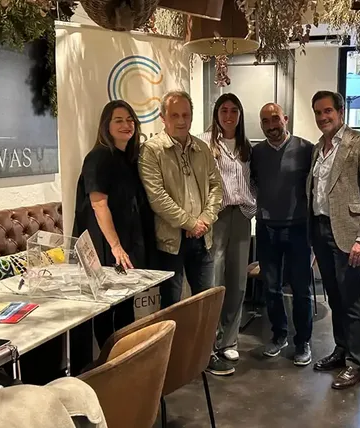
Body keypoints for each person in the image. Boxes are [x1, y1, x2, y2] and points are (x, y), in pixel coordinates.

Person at [138, 90, 229, 375]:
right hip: (170, 242)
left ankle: (206, 354)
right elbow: (157, 197)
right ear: (163, 117)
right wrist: (190, 223)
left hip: (202, 239)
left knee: (205, 302)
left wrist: (204, 220)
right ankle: (171, 361)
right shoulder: (151, 151)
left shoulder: (202, 149)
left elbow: (216, 187)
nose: (181, 120)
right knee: (171, 305)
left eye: (186, 115)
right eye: (174, 115)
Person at [71, 100, 156, 370]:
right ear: (106, 125)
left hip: (123, 246)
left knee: (125, 309)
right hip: (104, 248)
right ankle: (110, 368)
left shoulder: (127, 159)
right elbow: (99, 205)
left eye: (130, 120)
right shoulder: (99, 157)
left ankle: (124, 364)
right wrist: (116, 246)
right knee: (107, 314)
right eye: (119, 120)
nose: (126, 125)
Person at [308, 91, 360, 389]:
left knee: (351, 300)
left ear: (341, 111)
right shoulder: (318, 148)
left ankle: (356, 363)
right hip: (320, 230)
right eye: (318, 112)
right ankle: (341, 350)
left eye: (327, 111)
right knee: (334, 296)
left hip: (349, 234)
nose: (322, 117)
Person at [251, 102, 314, 366]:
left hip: (299, 227)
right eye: (265, 121)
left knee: (301, 289)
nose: (271, 126)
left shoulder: (306, 149)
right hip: (266, 227)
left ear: (285, 118)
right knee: (271, 287)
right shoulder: (256, 153)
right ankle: (279, 335)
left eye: (275, 119)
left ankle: (303, 342)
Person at [199, 93, 256, 366]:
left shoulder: (247, 146)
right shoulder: (204, 142)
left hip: (241, 217)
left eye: (234, 110)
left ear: (240, 114)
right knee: (214, 279)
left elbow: (253, 180)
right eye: (224, 110)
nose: (229, 115)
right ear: (216, 114)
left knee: (237, 281)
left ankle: (229, 341)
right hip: (216, 217)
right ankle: (209, 343)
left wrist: (253, 203)